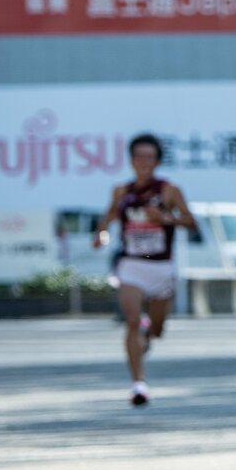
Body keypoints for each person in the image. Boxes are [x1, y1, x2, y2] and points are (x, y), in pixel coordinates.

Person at [92, 133, 197, 407]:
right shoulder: (121, 192)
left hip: (160, 266)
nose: (143, 162)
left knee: (158, 329)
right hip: (132, 264)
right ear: (131, 160)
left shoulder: (169, 190)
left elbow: (191, 222)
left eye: (149, 157)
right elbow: (108, 218)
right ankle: (138, 384)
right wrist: (100, 235)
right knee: (131, 321)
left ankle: (148, 334)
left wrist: (165, 218)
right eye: (138, 156)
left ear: (158, 161)